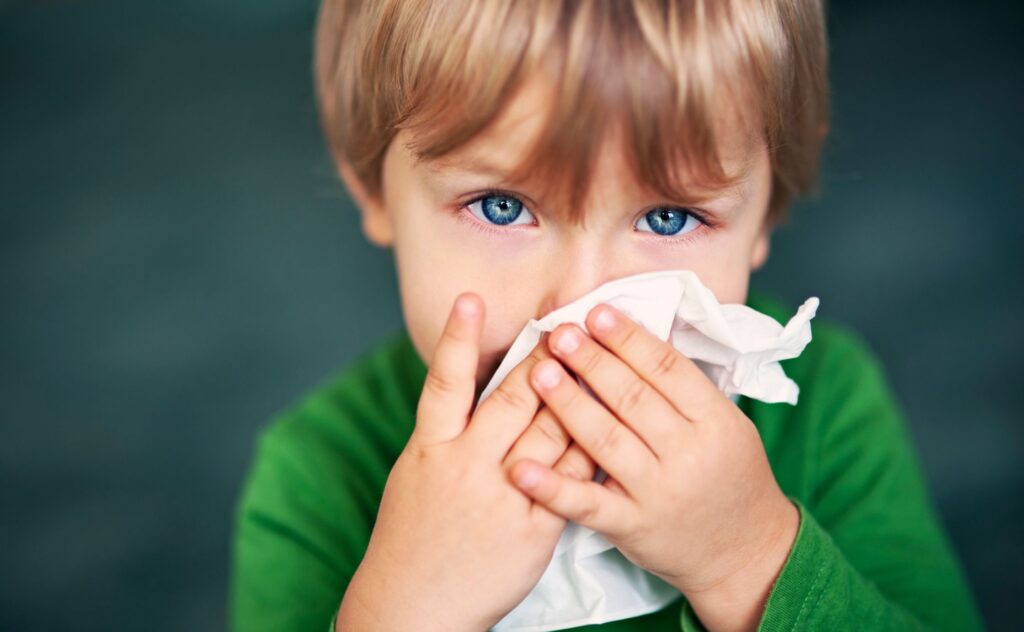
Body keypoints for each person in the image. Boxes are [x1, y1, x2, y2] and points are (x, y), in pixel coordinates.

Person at [230, 1, 984, 630]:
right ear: (372, 188)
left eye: (666, 219)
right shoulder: (318, 471)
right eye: (503, 207)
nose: (576, 313)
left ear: (767, 211)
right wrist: (405, 608)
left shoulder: (824, 405)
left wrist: (748, 559)